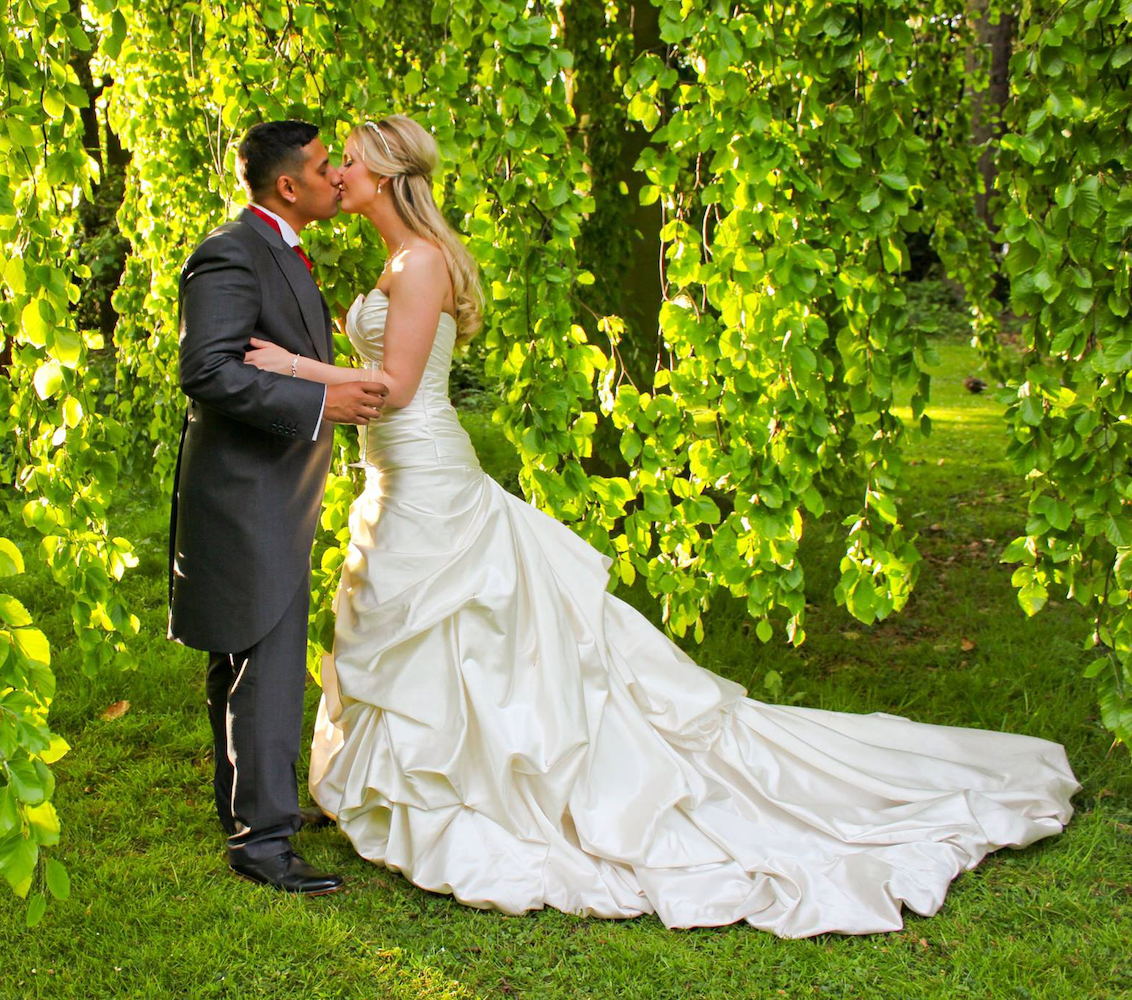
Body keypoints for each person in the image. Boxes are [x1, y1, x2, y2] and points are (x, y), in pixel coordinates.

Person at [241, 114, 1080, 937]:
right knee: (424, 635)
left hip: (428, 476)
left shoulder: (420, 263)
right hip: (396, 472)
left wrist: (290, 368)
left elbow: (391, 385)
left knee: (462, 632)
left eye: (346, 162)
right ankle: (431, 786)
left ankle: (487, 790)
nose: (335, 174)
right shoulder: (401, 258)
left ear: (382, 176)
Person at [169, 119, 388, 896]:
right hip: (245, 495)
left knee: (249, 660)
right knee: (257, 664)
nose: (340, 176)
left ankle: (251, 818)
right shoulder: (234, 250)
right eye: (327, 167)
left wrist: (314, 384)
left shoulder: (278, 246)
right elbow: (209, 371)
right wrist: (320, 405)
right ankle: (263, 845)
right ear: (287, 186)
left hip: (267, 490)